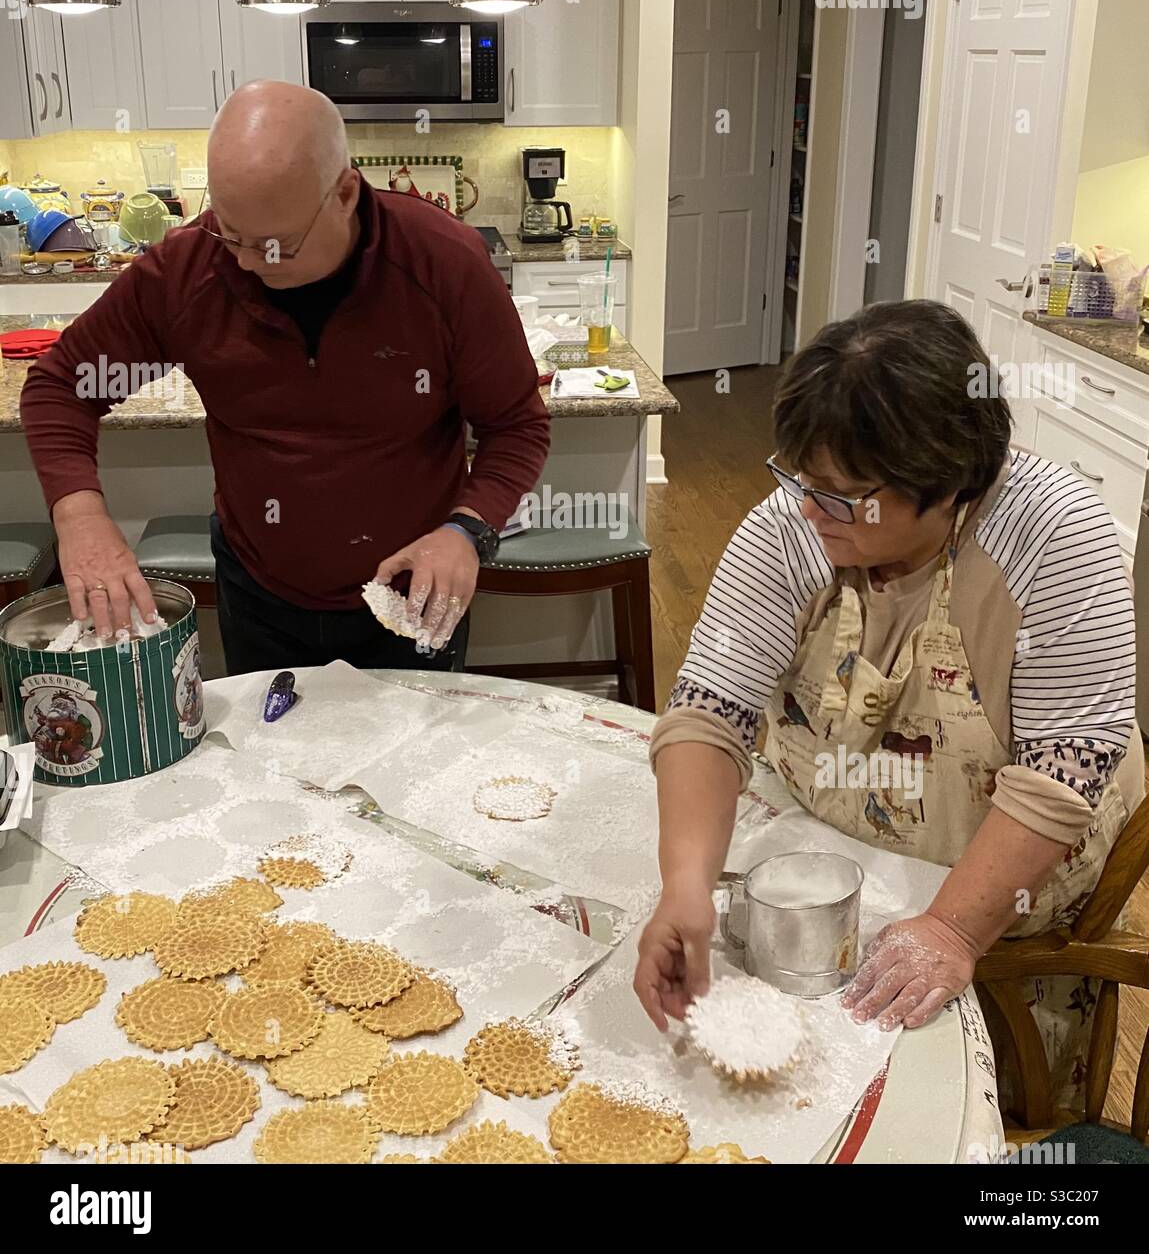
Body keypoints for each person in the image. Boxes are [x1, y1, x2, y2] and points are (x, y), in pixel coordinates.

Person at [635, 299, 1144, 1109]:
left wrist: (949, 931)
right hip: (831, 845)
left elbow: (1061, 771)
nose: (807, 509)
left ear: (945, 485)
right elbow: (710, 708)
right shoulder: (798, 521)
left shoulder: (1055, 535)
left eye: (838, 494)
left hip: (998, 875)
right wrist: (686, 886)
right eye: (801, 479)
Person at [21, 81, 549, 675]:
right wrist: (81, 519)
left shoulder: (442, 264)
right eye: (231, 234)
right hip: (261, 593)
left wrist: (468, 530)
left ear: (346, 193)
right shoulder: (187, 271)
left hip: (412, 590)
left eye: (275, 245)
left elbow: (516, 427)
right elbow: (62, 386)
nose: (247, 261)